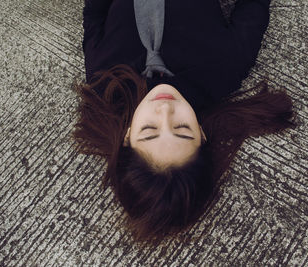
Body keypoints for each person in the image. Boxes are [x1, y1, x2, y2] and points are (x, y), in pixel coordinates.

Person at [74, 0, 295, 242]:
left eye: (149, 130)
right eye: (182, 129)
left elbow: (94, 13)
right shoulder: (225, 69)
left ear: (127, 136)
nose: (165, 110)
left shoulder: (105, 80)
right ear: (201, 134)